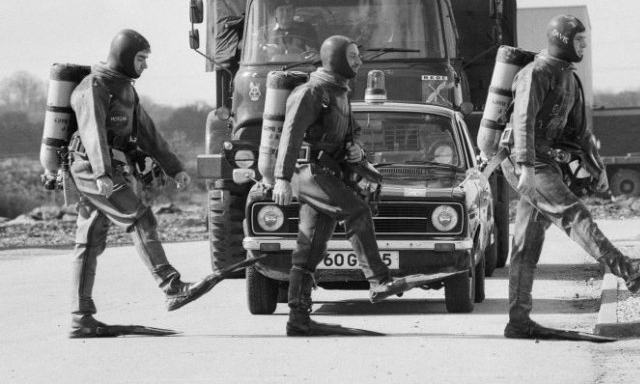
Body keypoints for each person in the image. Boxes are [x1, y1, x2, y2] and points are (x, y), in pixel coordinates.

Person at [502, 15, 640, 340]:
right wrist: (525, 166)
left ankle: (518, 321)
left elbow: (576, 132)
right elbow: (523, 119)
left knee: (526, 245)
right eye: (580, 40)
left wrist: (587, 164)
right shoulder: (535, 73)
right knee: (573, 213)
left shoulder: (569, 78)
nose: (584, 46)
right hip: (524, 160)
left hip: (546, 161)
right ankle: (630, 272)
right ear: (564, 40)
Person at [67, 29, 244, 338]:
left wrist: (174, 168)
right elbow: (92, 131)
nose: (145, 66)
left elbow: (148, 132)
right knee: (140, 217)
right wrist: (102, 173)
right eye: (140, 58)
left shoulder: (125, 88)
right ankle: (172, 286)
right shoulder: (92, 87)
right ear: (123, 56)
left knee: (90, 241)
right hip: (89, 167)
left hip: (104, 169)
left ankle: (81, 317)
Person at [271, 35, 419, 336]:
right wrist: (282, 179)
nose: (359, 61)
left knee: (309, 250)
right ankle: (379, 280)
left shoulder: (340, 92)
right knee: (357, 211)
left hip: (326, 174)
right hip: (307, 172)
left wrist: (356, 150)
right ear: (336, 58)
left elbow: (353, 135)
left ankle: (298, 319)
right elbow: (290, 135)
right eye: (352, 56)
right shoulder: (311, 92)